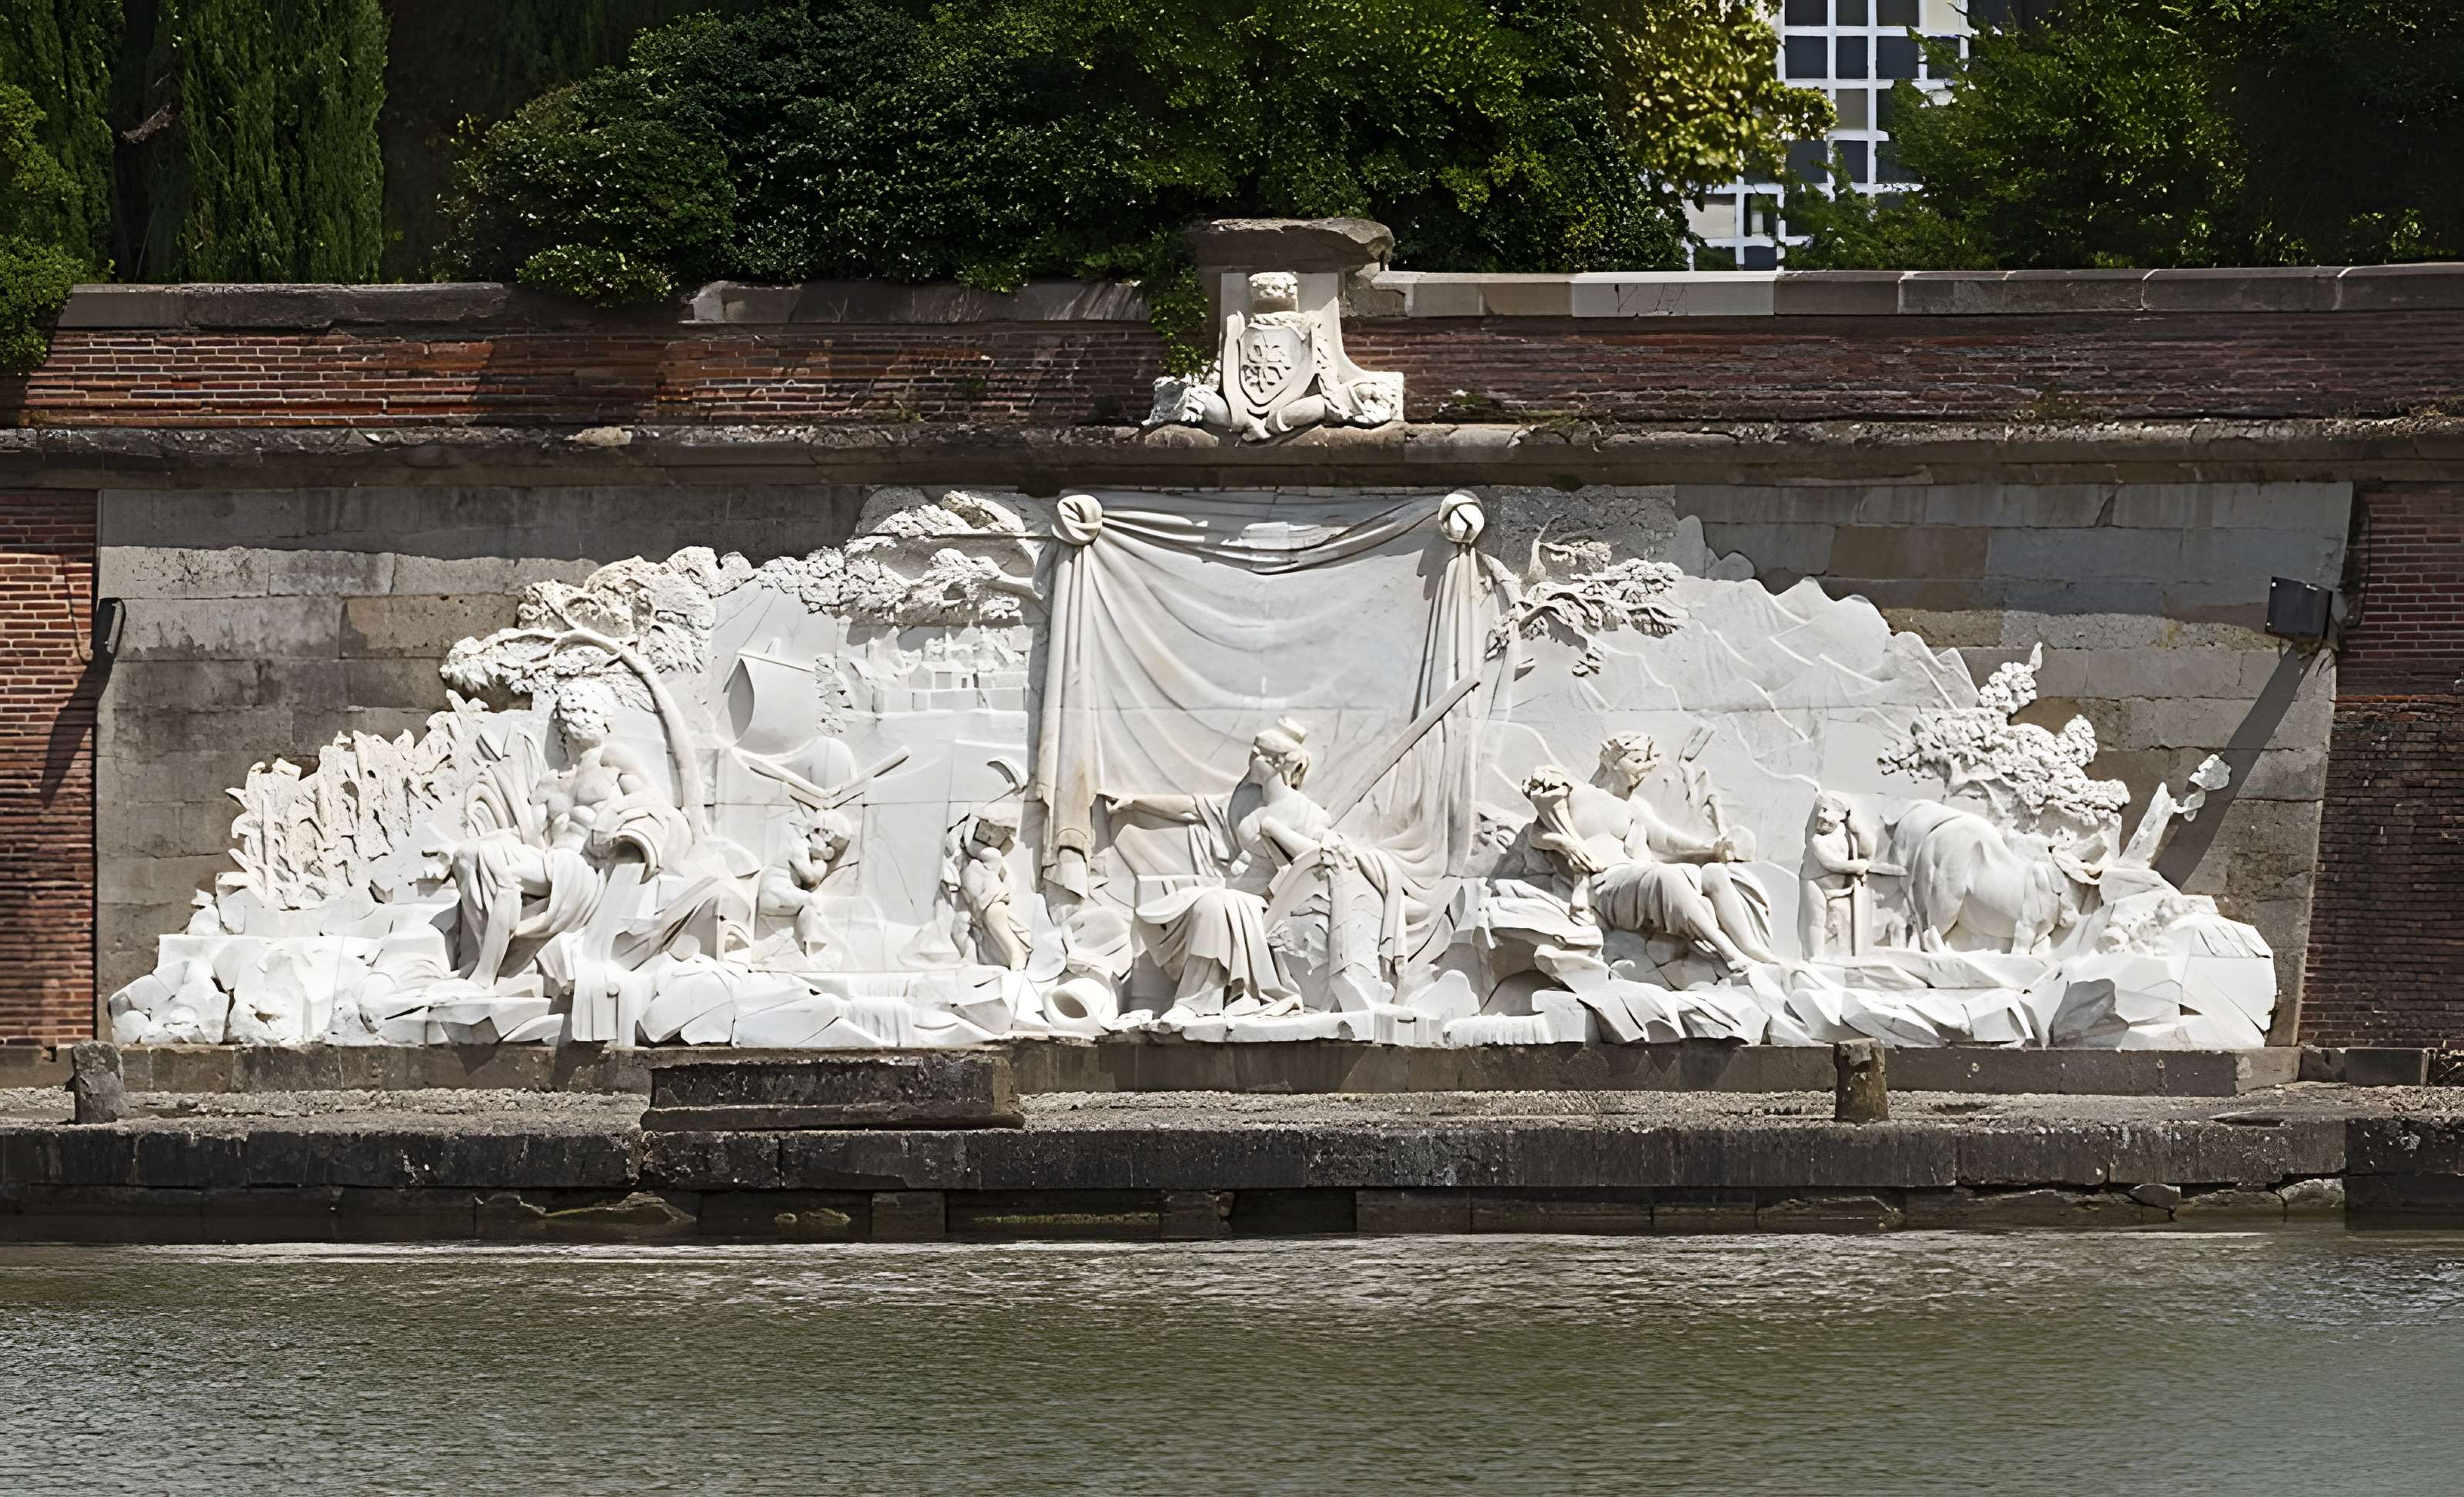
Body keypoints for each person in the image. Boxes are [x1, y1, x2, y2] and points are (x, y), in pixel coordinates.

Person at [445, 685, 689, 986]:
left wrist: (613, 819)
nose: (583, 716)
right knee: (470, 855)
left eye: (591, 710)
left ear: (606, 721)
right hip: (552, 860)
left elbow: (653, 802)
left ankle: (485, 976)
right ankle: (488, 958)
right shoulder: (550, 782)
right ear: (562, 722)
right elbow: (532, 838)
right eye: (576, 709)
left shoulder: (613, 761)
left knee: (509, 877)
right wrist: (496, 840)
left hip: (586, 869)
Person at [1522, 733, 1776, 973]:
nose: (1643, 769)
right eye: (1636, 761)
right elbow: (1537, 833)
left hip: (1637, 876)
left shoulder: (1635, 807)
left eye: (1646, 762)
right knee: (1663, 876)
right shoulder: (1579, 795)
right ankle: (1728, 951)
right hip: (1605, 885)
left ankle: (1750, 947)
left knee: (1714, 872)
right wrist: (1567, 844)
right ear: (1612, 762)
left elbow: (1664, 839)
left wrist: (1710, 849)